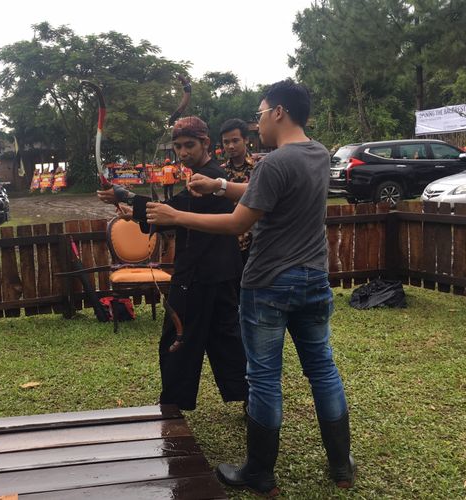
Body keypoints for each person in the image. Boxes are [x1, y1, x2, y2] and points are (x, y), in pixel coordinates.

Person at [145, 80, 355, 495]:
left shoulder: (273, 162)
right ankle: (340, 465)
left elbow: (240, 222)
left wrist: (176, 216)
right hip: (314, 279)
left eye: (260, 112)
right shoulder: (317, 154)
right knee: (322, 370)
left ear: (279, 112)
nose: (258, 122)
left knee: (263, 378)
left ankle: (259, 471)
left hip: (270, 284)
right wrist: (219, 186)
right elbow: (266, 195)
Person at [97, 116, 248, 412]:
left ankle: (173, 406)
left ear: (206, 143)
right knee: (225, 339)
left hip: (199, 274)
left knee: (178, 340)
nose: (182, 153)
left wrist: (123, 193)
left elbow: (177, 209)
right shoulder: (206, 175)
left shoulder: (208, 178)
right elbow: (175, 216)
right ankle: (250, 397)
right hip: (220, 271)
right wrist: (133, 212)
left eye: (189, 145)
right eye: (178, 146)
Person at [219, 118, 257, 266]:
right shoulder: (220, 172)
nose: (230, 146)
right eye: (226, 142)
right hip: (227, 241)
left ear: (246, 139)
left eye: (235, 141)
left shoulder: (260, 167)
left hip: (256, 240)